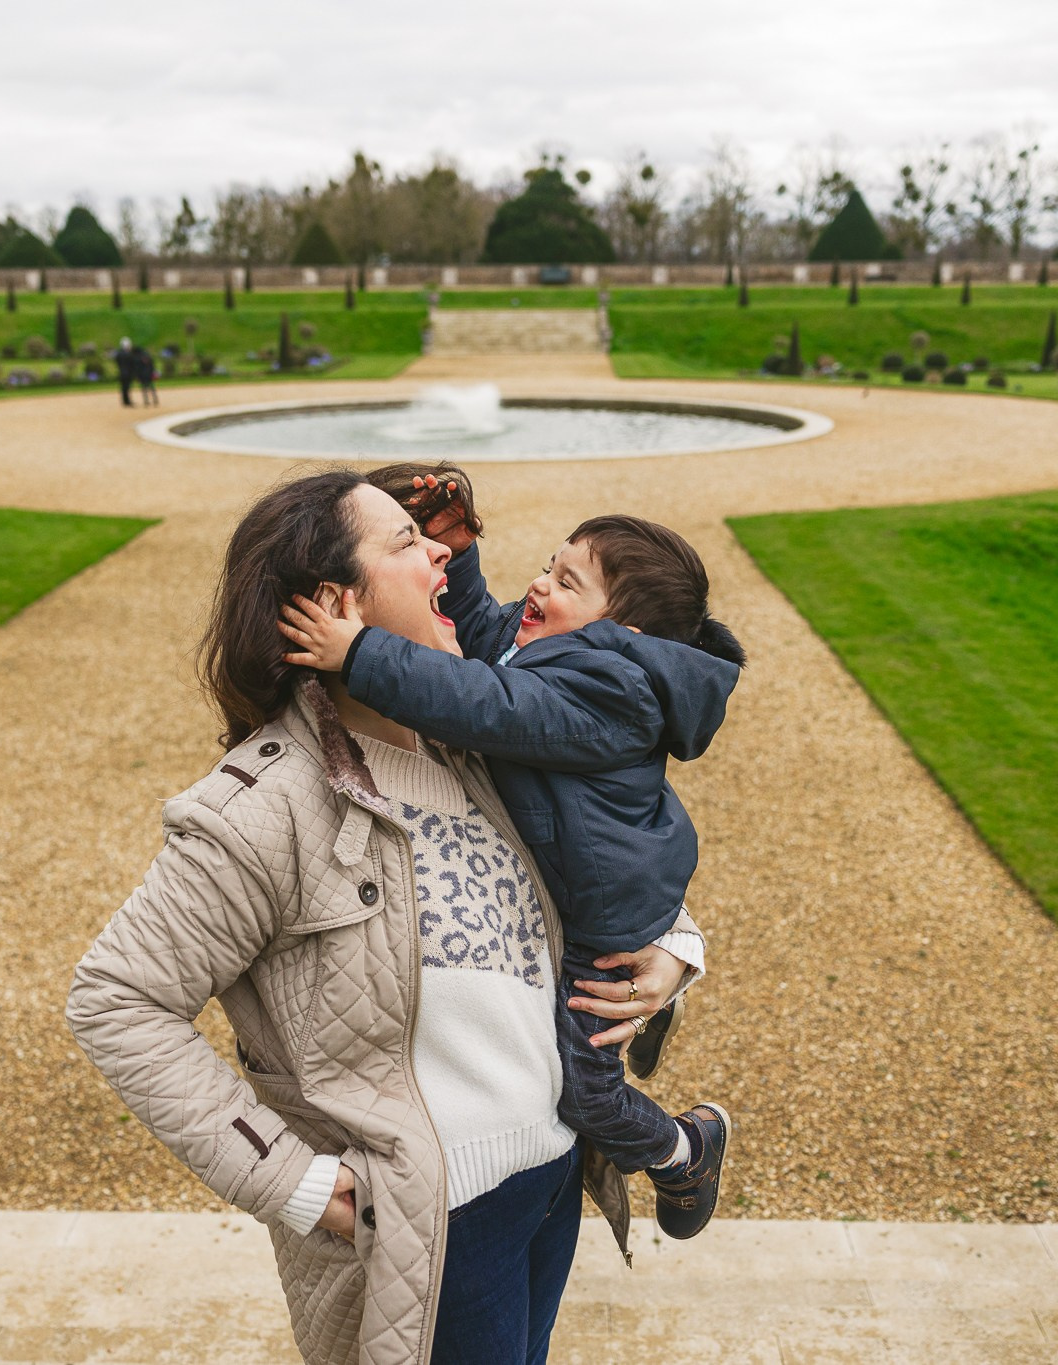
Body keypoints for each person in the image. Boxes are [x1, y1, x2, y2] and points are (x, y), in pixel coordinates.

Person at [66, 471, 703, 1365]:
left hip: (555, 1180)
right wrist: (293, 1181)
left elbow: (617, 850)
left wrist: (677, 946)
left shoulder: (478, 744)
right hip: (434, 1229)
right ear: (336, 604)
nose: (444, 550)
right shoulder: (266, 805)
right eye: (408, 541)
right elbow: (116, 997)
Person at [279, 470, 740, 1240]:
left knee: (587, 1094)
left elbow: (476, 698)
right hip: (584, 891)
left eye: (566, 582)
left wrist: (356, 651)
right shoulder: (564, 656)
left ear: (620, 637)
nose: (538, 583)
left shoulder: (602, 689)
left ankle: (684, 1150)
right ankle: (659, 1015)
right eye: (549, 564)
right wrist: (458, 558)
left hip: (592, 921)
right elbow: (487, 641)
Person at [115, 337, 135, 407]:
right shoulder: (128, 354)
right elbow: (132, 363)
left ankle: (125, 401)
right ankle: (127, 401)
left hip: (122, 372)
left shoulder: (119, 353)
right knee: (126, 387)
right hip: (127, 373)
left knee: (124, 387)